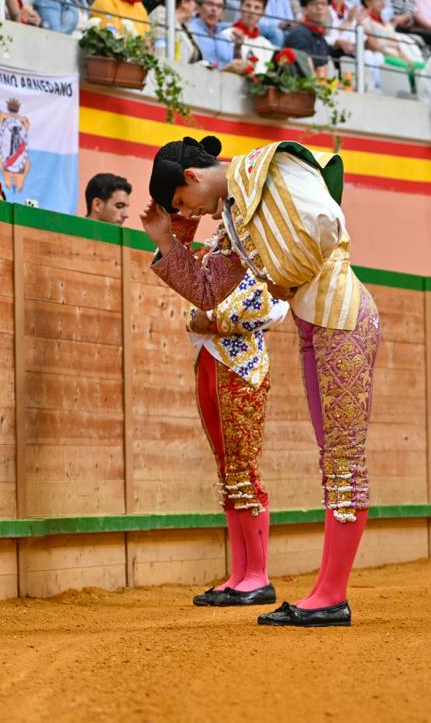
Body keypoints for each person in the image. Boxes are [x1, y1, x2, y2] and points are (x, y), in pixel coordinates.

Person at [144, 136, 381, 628]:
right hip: (317, 323)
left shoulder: (270, 166)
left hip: (343, 316)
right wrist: (169, 242)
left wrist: (279, 278)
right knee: (334, 460)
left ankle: (332, 595)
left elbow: (325, 223)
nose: (196, 215)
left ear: (192, 177)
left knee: (342, 462)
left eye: (186, 205)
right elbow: (210, 291)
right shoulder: (232, 214)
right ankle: (326, 592)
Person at [177, 218, 288, 608]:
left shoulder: (259, 248)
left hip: (242, 366)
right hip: (209, 360)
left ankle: (257, 575)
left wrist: (212, 320)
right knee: (228, 471)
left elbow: (274, 304)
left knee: (243, 467)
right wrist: (199, 318)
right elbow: (189, 302)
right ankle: (240, 574)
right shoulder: (213, 249)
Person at [150, 0, 202, 64]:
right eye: (194, 0)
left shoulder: (186, 26)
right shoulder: (162, 15)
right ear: (184, 2)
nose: (195, 5)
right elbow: (160, 52)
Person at [225, 0, 275, 71]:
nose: (251, 11)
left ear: (263, 13)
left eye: (257, 8)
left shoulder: (266, 45)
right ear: (240, 8)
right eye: (248, 6)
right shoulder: (226, 35)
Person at [189, 0, 236, 69]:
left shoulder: (225, 39)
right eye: (209, 4)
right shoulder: (190, 30)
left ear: (222, 12)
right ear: (198, 7)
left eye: (219, 6)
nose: (214, 9)